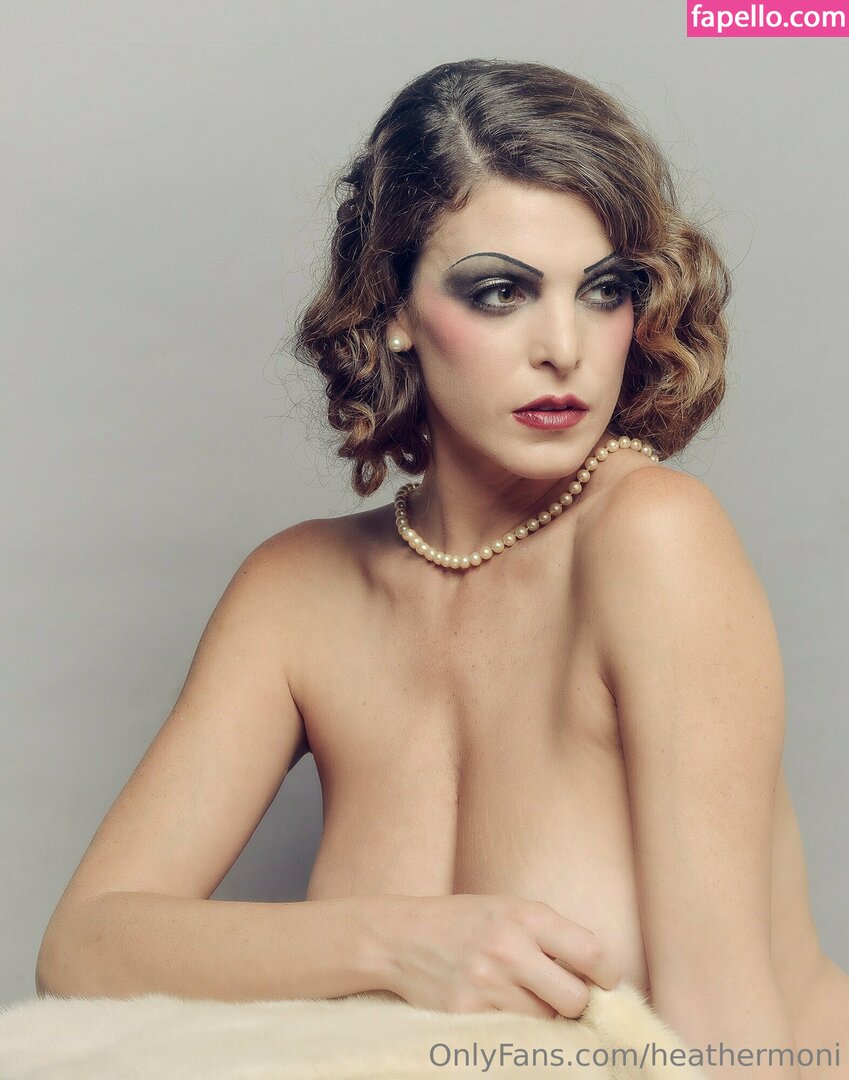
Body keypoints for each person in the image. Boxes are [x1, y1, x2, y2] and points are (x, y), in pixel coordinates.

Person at [36, 59, 848, 1079]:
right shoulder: (297, 592)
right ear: (393, 308)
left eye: (604, 291)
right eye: (501, 291)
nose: (564, 348)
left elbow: (733, 1040)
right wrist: (396, 941)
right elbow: (84, 948)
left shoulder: (653, 538)